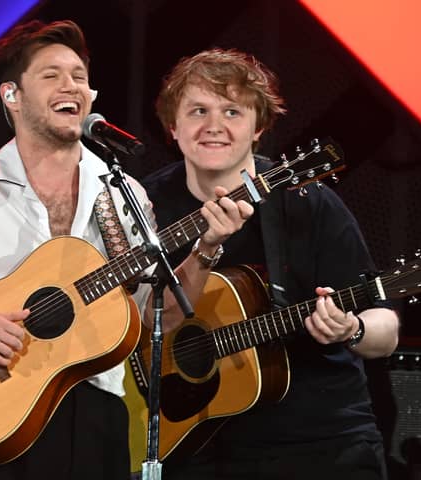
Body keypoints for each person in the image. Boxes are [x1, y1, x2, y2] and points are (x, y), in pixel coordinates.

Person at [0, 20, 251, 480]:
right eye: (52, 75)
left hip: (98, 418)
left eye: (80, 76)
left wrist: (206, 248)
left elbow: (151, 319)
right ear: (12, 96)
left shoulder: (123, 194)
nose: (72, 86)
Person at [141, 48, 400, 479]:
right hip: (191, 441)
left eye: (232, 111)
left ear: (258, 128)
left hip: (319, 443)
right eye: (198, 110)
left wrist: (350, 329)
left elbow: (384, 329)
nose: (214, 126)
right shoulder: (145, 206)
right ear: (173, 125)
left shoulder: (306, 201)